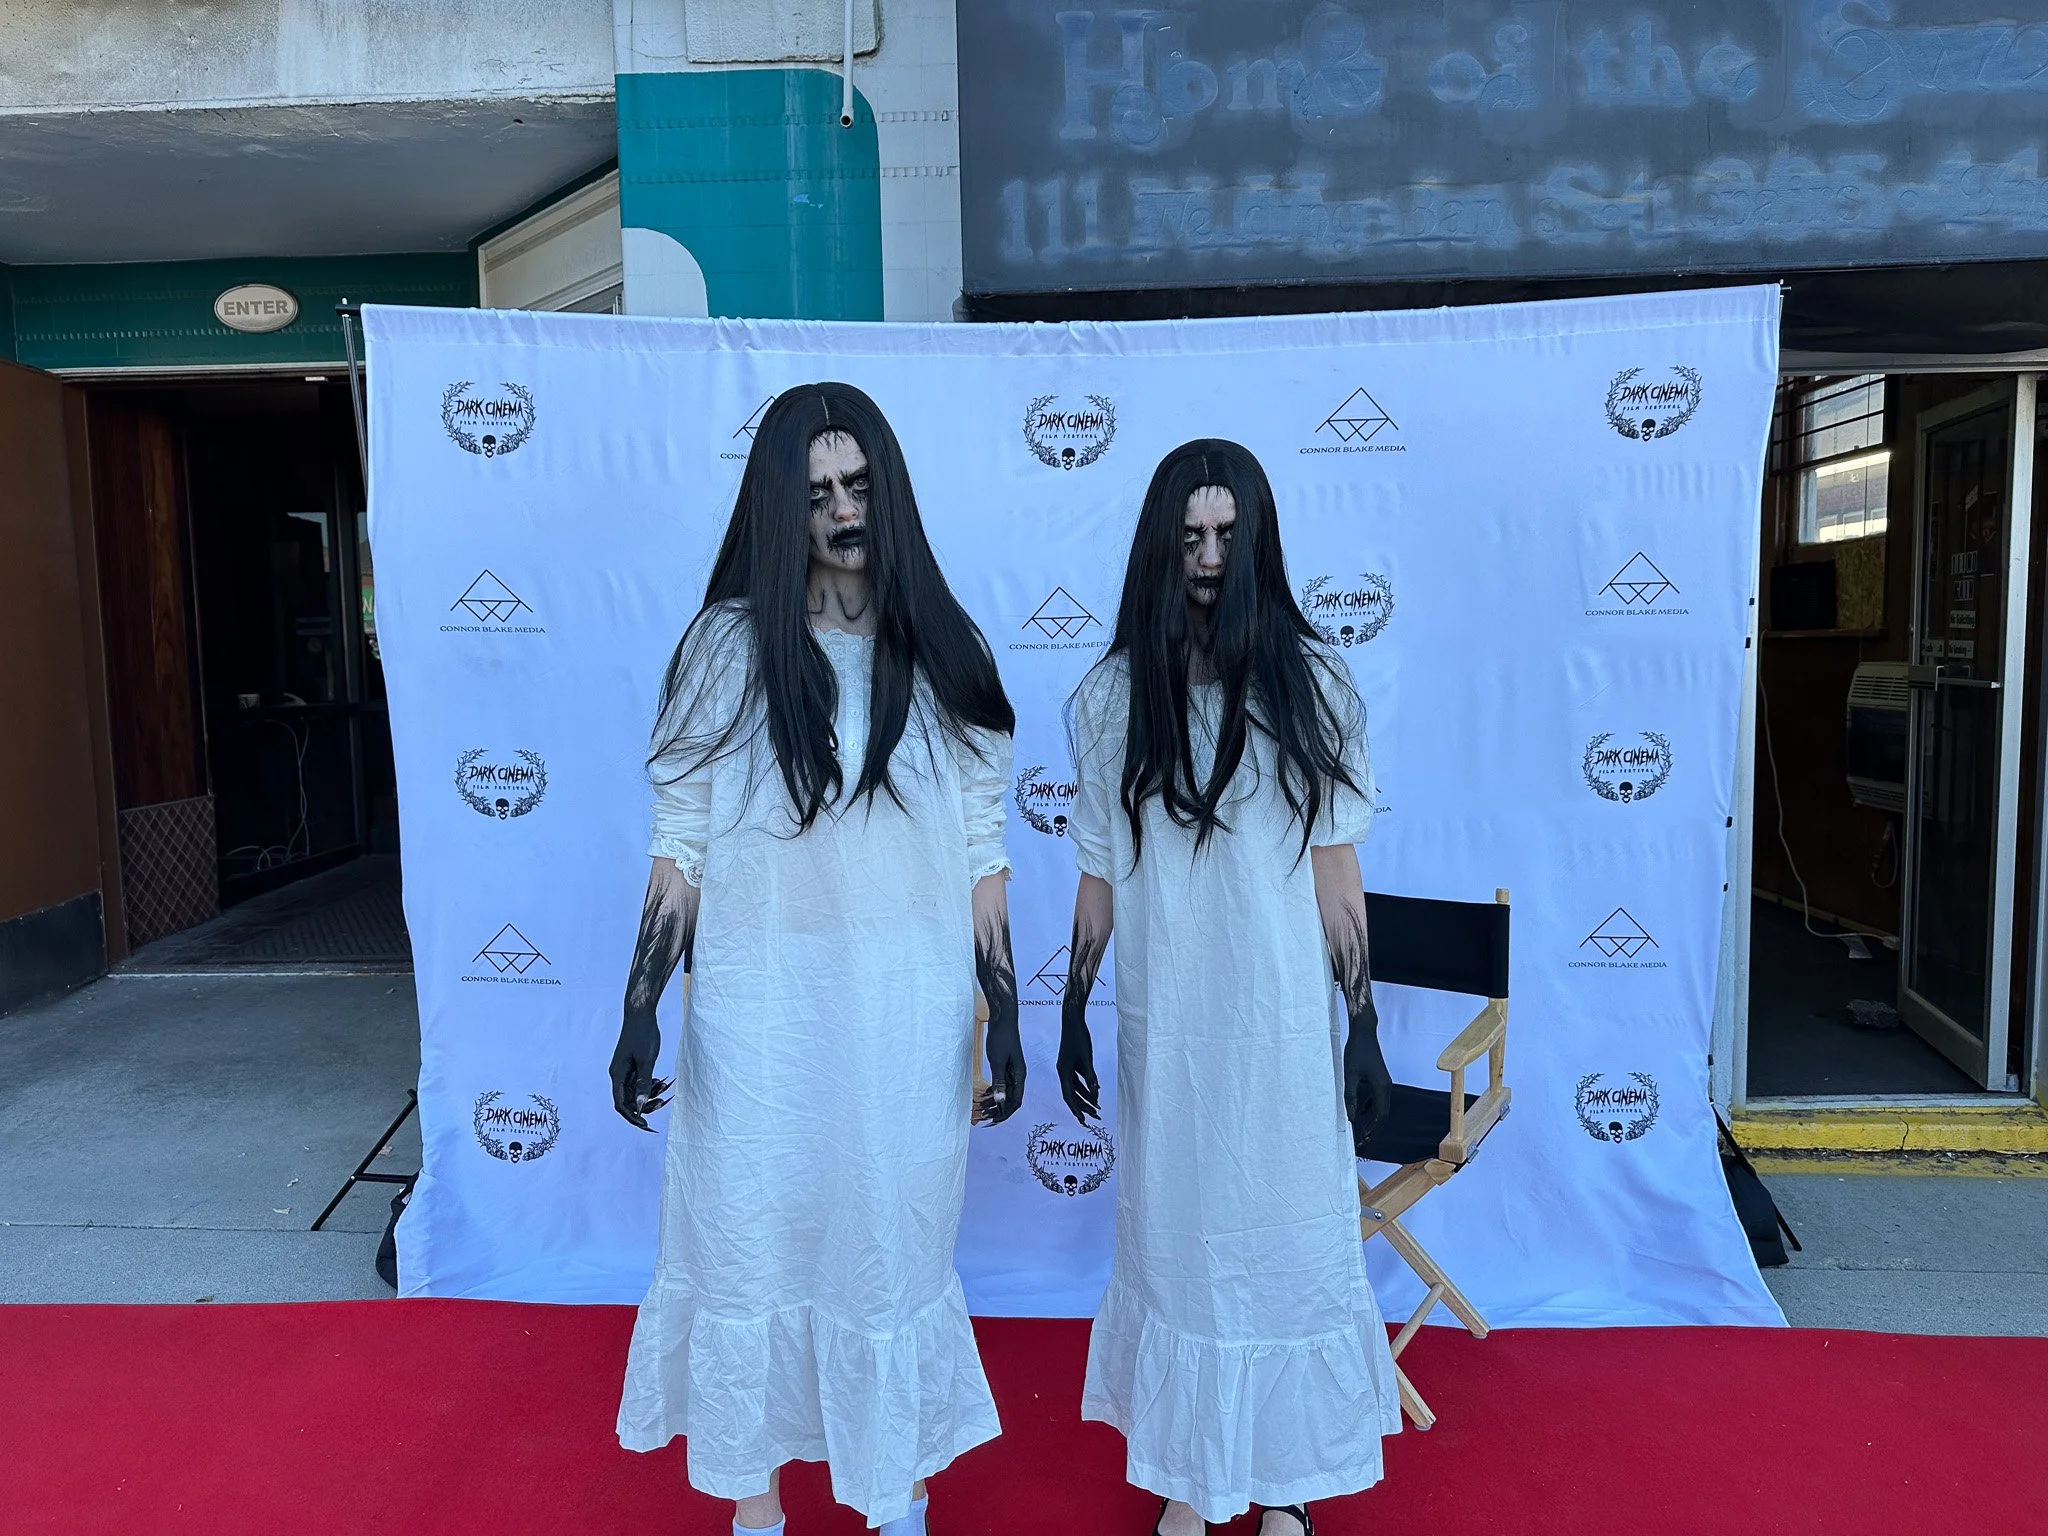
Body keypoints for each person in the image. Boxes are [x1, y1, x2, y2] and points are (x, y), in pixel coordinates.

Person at [610, 382, 1025, 1535]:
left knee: (888, 1251)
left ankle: (894, 1496)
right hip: (755, 1009)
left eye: (857, 484)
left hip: (905, 1015)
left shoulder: (946, 655)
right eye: (815, 492)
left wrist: (1006, 1012)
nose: (841, 509)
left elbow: (981, 855)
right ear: (778, 510)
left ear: (885, 491)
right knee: (745, 1244)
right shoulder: (724, 650)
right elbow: (679, 844)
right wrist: (640, 1003)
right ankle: (756, 1510)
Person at [1057, 439, 1400, 1535]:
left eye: (1225, 537)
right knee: (1179, 1246)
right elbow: (1101, 873)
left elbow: (1336, 869)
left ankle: (1286, 1480)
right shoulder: (1112, 699)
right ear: (1162, 546)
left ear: (1255, 544)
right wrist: (1070, 1006)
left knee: (1288, 1241)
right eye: (1188, 538)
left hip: (1285, 1025)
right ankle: (1185, 1473)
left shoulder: (1319, 687)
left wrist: (1362, 1020)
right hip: (1172, 1034)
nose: (1207, 558)